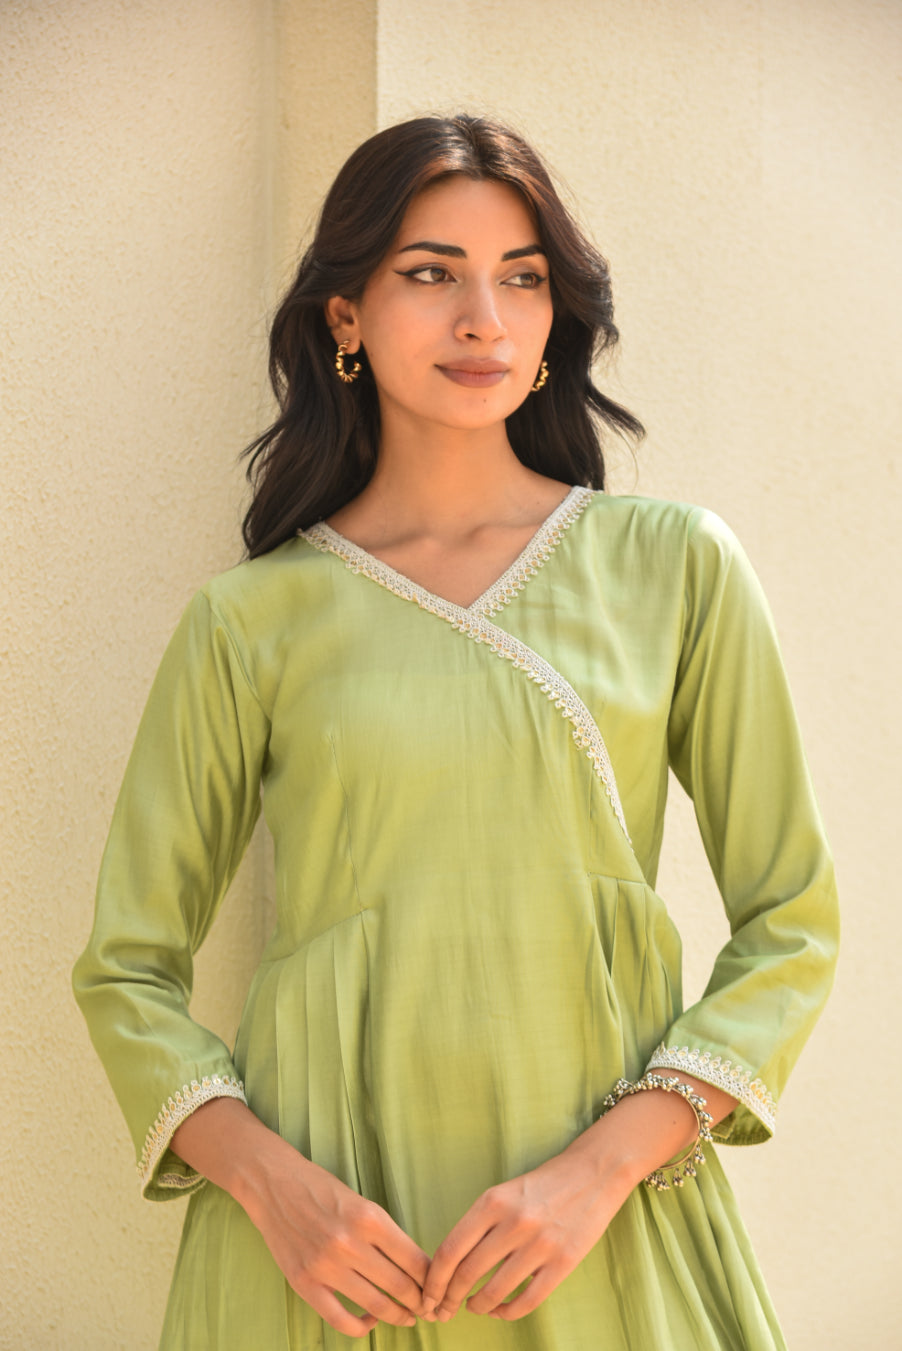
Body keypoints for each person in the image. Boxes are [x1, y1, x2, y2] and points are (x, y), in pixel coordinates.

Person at [73, 114, 839, 1350]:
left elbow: (791, 926)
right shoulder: (248, 620)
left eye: (520, 279)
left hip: (599, 1225)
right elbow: (126, 969)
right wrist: (274, 1189)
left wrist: (601, 1168)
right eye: (431, 273)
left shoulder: (674, 568)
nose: (483, 318)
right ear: (345, 315)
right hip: (330, 1257)